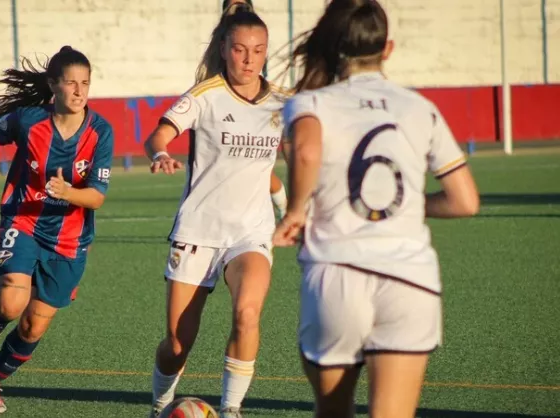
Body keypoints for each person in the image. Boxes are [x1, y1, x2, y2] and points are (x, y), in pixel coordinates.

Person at [273, 1, 480, 417]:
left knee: (333, 411)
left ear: (331, 47)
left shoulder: (311, 104)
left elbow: (309, 149)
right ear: (388, 49)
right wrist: (404, 206)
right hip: (409, 279)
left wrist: (296, 209)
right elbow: (465, 201)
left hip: (337, 274)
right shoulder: (421, 108)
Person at [0, 46, 114, 414]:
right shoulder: (29, 120)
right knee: (11, 303)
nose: (79, 91)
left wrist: (69, 192)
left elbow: (97, 198)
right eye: (71, 82)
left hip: (70, 239)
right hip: (22, 220)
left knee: (33, 327)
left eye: (85, 83)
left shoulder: (101, 131)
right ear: (53, 85)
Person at [145, 5, 286, 418]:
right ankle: (160, 405)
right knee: (176, 345)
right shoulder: (204, 96)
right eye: (240, 49)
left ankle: (231, 410)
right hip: (198, 232)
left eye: (257, 51)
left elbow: (297, 156)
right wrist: (160, 153)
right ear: (224, 48)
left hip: (250, 234)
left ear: (265, 52)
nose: (248, 59)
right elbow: (160, 134)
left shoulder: (282, 103)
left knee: (247, 313)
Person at [218, 0, 289, 219]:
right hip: (220, 103)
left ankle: (286, 206)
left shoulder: (251, 34)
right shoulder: (220, 41)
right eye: (231, 3)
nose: (235, 7)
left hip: (248, 102)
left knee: (255, 165)